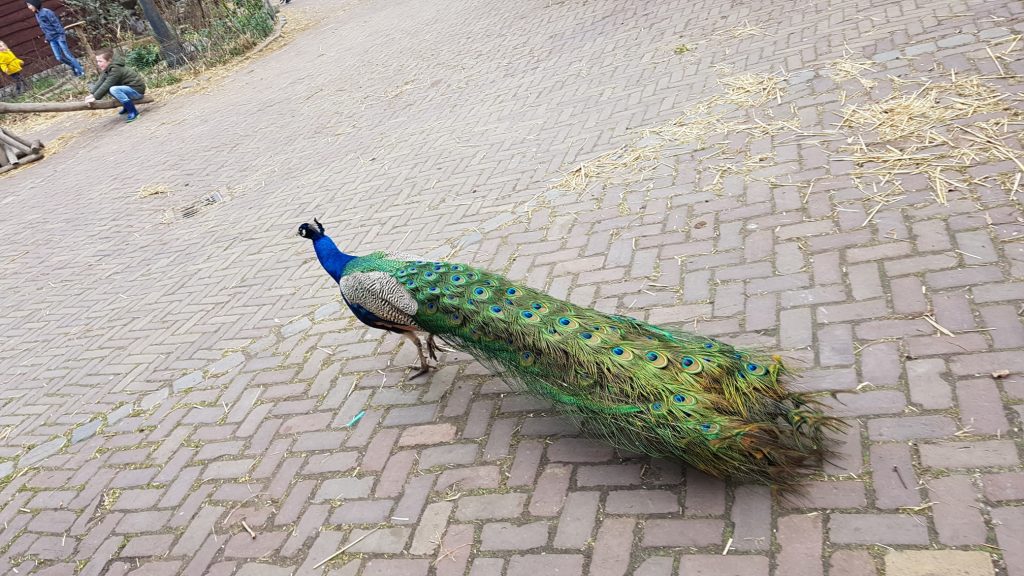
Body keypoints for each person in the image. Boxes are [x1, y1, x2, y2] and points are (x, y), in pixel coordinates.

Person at [84, 48, 147, 123]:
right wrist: (91, 94)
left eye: (100, 61)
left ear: (109, 60)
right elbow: (101, 81)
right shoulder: (108, 68)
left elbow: (107, 83)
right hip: (128, 89)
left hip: (137, 90)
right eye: (97, 61)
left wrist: (95, 97)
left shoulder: (116, 69)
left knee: (113, 89)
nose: (98, 64)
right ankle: (126, 107)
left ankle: (133, 112)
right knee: (110, 89)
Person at [25, 0, 84, 77]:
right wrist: (47, 37)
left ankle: (81, 72)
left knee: (68, 55)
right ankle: (73, 66)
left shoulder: (46, 12)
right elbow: (45, 28)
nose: (28, 7)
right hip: (51, 39)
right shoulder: (37, 14)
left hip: (59, 36)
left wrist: (61, 36)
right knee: (58, 58)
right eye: (28, 5)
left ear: (35, 4)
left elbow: (56, 24)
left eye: (29, 5)